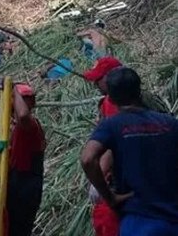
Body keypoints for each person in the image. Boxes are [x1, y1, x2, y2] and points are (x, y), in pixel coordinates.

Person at [81, 67, 178, 235]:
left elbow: (87, 159)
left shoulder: (111, 125)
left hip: (139, 218)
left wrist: (109, 197)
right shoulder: (170, 123)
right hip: (173, 215)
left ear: (111, 98)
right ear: (139, 91)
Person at [0, 83, 46, 236]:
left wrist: (13, 88)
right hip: (17, 182)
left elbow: (22, 115)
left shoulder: (30, 125)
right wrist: (6, 149)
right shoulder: (18, 128)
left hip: (25, 186)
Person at [79, 56, 123, 236]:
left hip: (119, 180)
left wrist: (99, 179)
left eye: (99, 79)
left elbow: (113, 144)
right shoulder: (119, 100)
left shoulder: (113, 103)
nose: (95, 84)